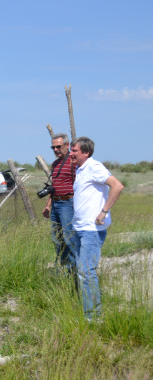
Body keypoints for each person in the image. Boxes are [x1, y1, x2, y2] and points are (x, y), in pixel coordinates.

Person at [70, 136, 124, 321]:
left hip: (92, 230)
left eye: (74, 150)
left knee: (86, 272)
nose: (71, 153)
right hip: (80, 227)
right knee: (83, 271)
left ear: (86, 152)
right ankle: (89, 312)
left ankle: (93, 317)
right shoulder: (80, 169)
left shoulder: (94, 167)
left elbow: (117, 186)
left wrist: (104, 211)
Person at [42, 133, 76, 279]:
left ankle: (74, 270)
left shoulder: (72, 162)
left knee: (69, 237)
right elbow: (54, 186)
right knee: (56, 238)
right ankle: (64, 266)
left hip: (68, 203)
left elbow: (78, 184)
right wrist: (48, 205)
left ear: (67, 145)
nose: (55, 150)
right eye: (53, 147)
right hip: (56, 203)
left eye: (58, 146)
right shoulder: (55, 164)